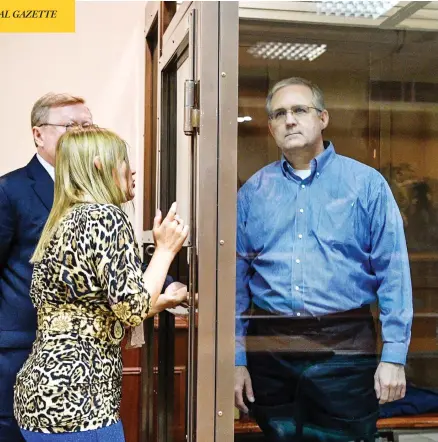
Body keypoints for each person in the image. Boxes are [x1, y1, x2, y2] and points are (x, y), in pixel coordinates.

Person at [234, 77, 413, 441]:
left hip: (344, 349)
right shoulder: (253, 192)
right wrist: (237, 360)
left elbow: (394, 273)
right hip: (271, 350)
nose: (289, 120)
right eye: (279, 114)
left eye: (300, 110)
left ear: (323, 118)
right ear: (270, 126)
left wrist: (394, 356)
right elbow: (236, 283)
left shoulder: (366, 185)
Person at [13, 125, 189, 441]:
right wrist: (165, 250)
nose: (133, 169)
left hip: (40, 396)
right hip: (79, 402)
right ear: (99, 165)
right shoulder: (106, 217)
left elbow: (94, 313)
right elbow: (132, 308)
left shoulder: (64, 219)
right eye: (123, 160)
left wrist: (163, 301)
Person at [0, 93, 93, 442]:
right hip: (20, 349)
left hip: (78, 355)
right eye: (72, 126)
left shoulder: (91, 189)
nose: (83, 134)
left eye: (88, 126)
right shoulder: (11, 190)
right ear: (39, 135)